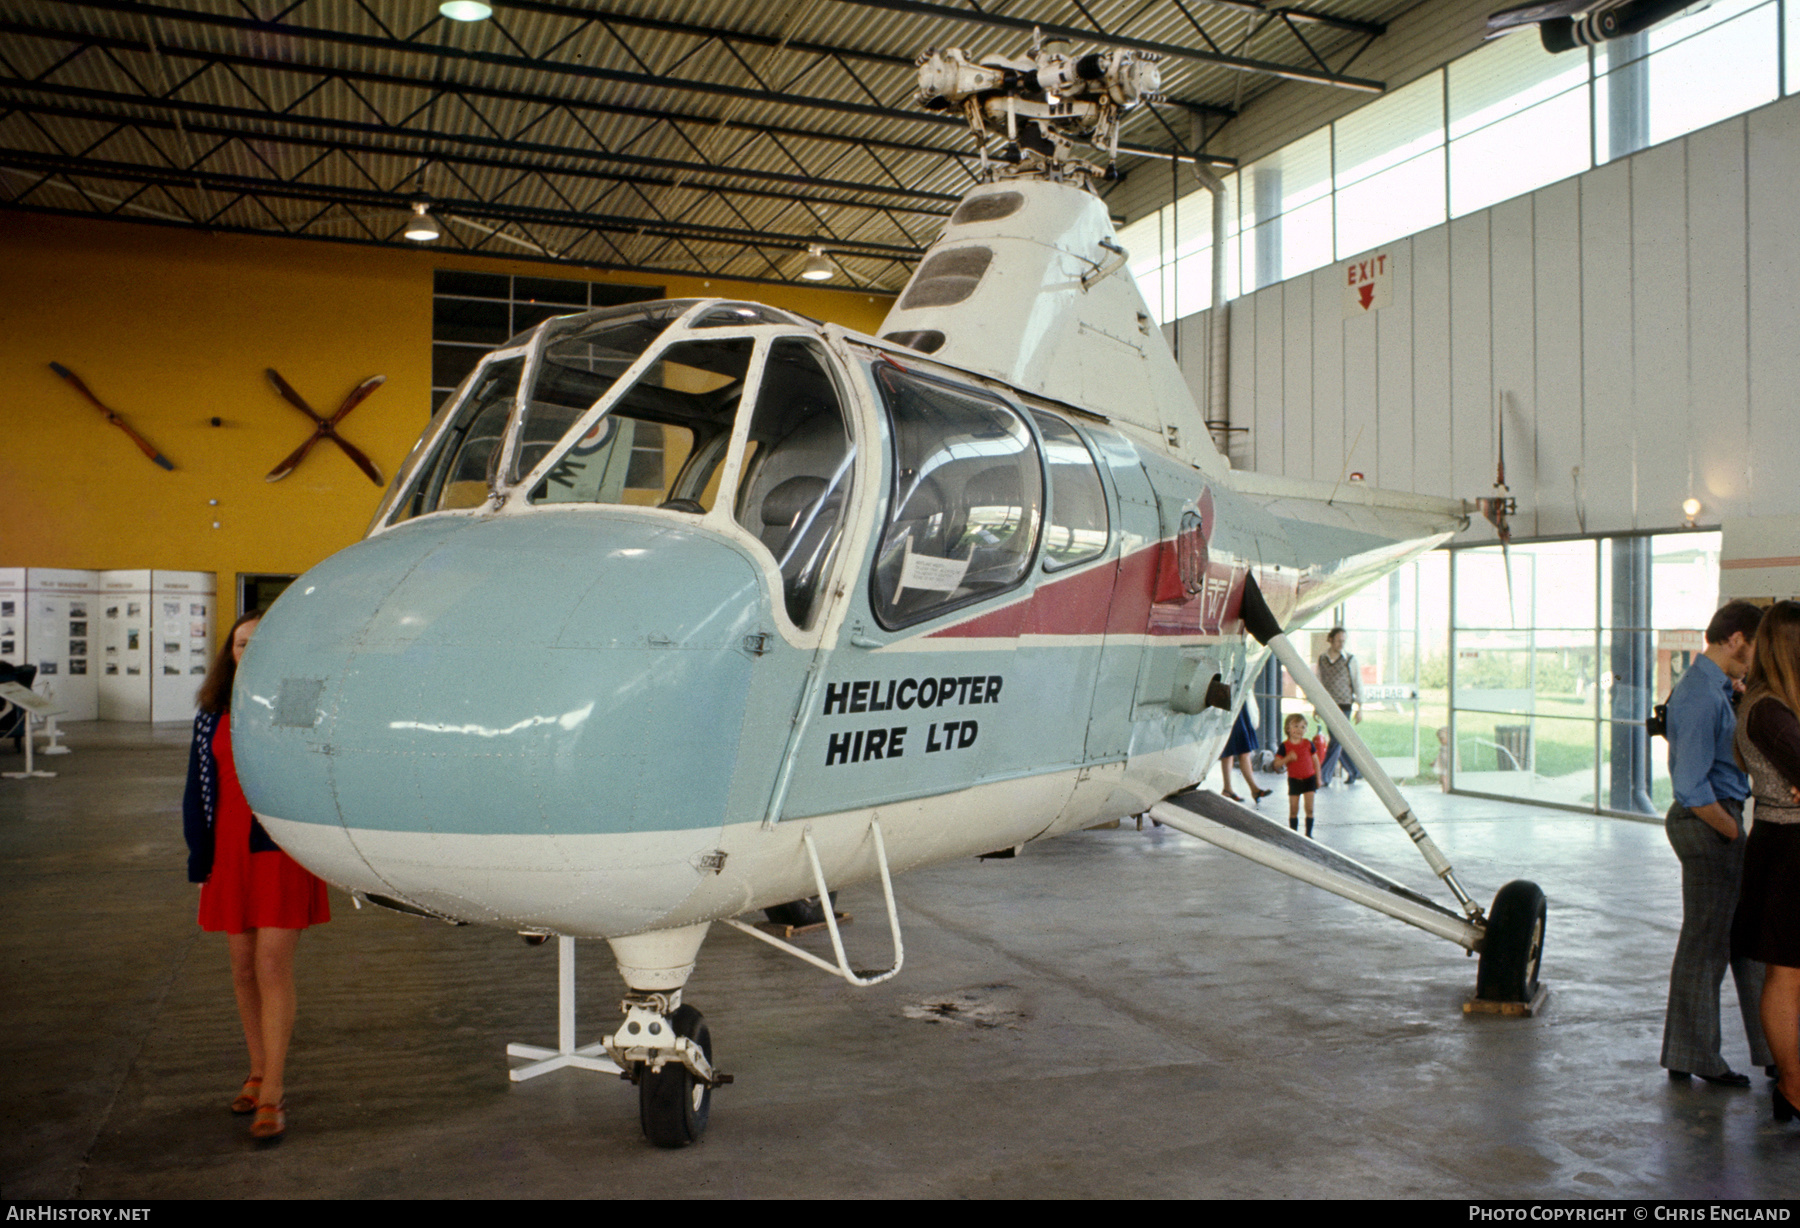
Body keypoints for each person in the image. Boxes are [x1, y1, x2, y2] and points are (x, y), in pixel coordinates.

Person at [184, 611, 330, 1143]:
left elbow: (315, 769)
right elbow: (196, 788)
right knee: (243, 969)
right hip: (228, 852)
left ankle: (273, 1094)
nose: (249, 651)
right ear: (230, 652)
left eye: (260, 643)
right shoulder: (211, 711)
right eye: (241, 644)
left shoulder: (294, 702)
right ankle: (257, 1069)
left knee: (271, 966)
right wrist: (199, 858)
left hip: (277, 850)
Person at [1661, 600, 1770, 1088]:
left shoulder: (1714, 688)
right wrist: (1728, 828)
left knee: (1742, 941)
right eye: (1756, 644)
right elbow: (1689, 785)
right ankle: (1695, 1055)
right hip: (1708, 821)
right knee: (1706, 946)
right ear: (1737, 639)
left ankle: (1772, 1050)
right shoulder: (1699, 695)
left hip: (1716, 819)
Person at [1730, 601, 1800, 1122]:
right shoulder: (1768, 709)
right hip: (1788, 850)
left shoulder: (1777, 704)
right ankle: (1794, 1086)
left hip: (1784, 843)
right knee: (1787, 973)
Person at [1317, 628, 1362, 787]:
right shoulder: (1322, 659)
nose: (1341, 644)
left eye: (1344, 641)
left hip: (1345, 705)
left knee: (1337, 740)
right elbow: (1319, 683)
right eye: (1338, 640)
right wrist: (1317, 706)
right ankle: (1355, 771)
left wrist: (1360, 707)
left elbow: (1357, 682)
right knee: (1338, 741)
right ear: (1330, 639)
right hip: (1328, 705)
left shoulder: (1350, 659)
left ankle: (1323, 776)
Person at [1274, 713, 1319, 837]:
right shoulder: (1284, 746)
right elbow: (1277, 764)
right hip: (1294, 780)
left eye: (1303, 727)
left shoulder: (1308, 744)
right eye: (1296, 726)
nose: (1300, 729)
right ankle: (1294, 834)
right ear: (1288, 728)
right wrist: (1287, 758)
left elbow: (1316, 761)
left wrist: (1318, 779)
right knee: (1294, 809)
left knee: (1309, 809)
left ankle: (1308, 835)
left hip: (1309, 779)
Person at [1219, 706, 1271, 804]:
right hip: (1234, 706)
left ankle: (1229, 788)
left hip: (1233, 706)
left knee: (1230, 750)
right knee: (1239, 751)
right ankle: (1252, 789)